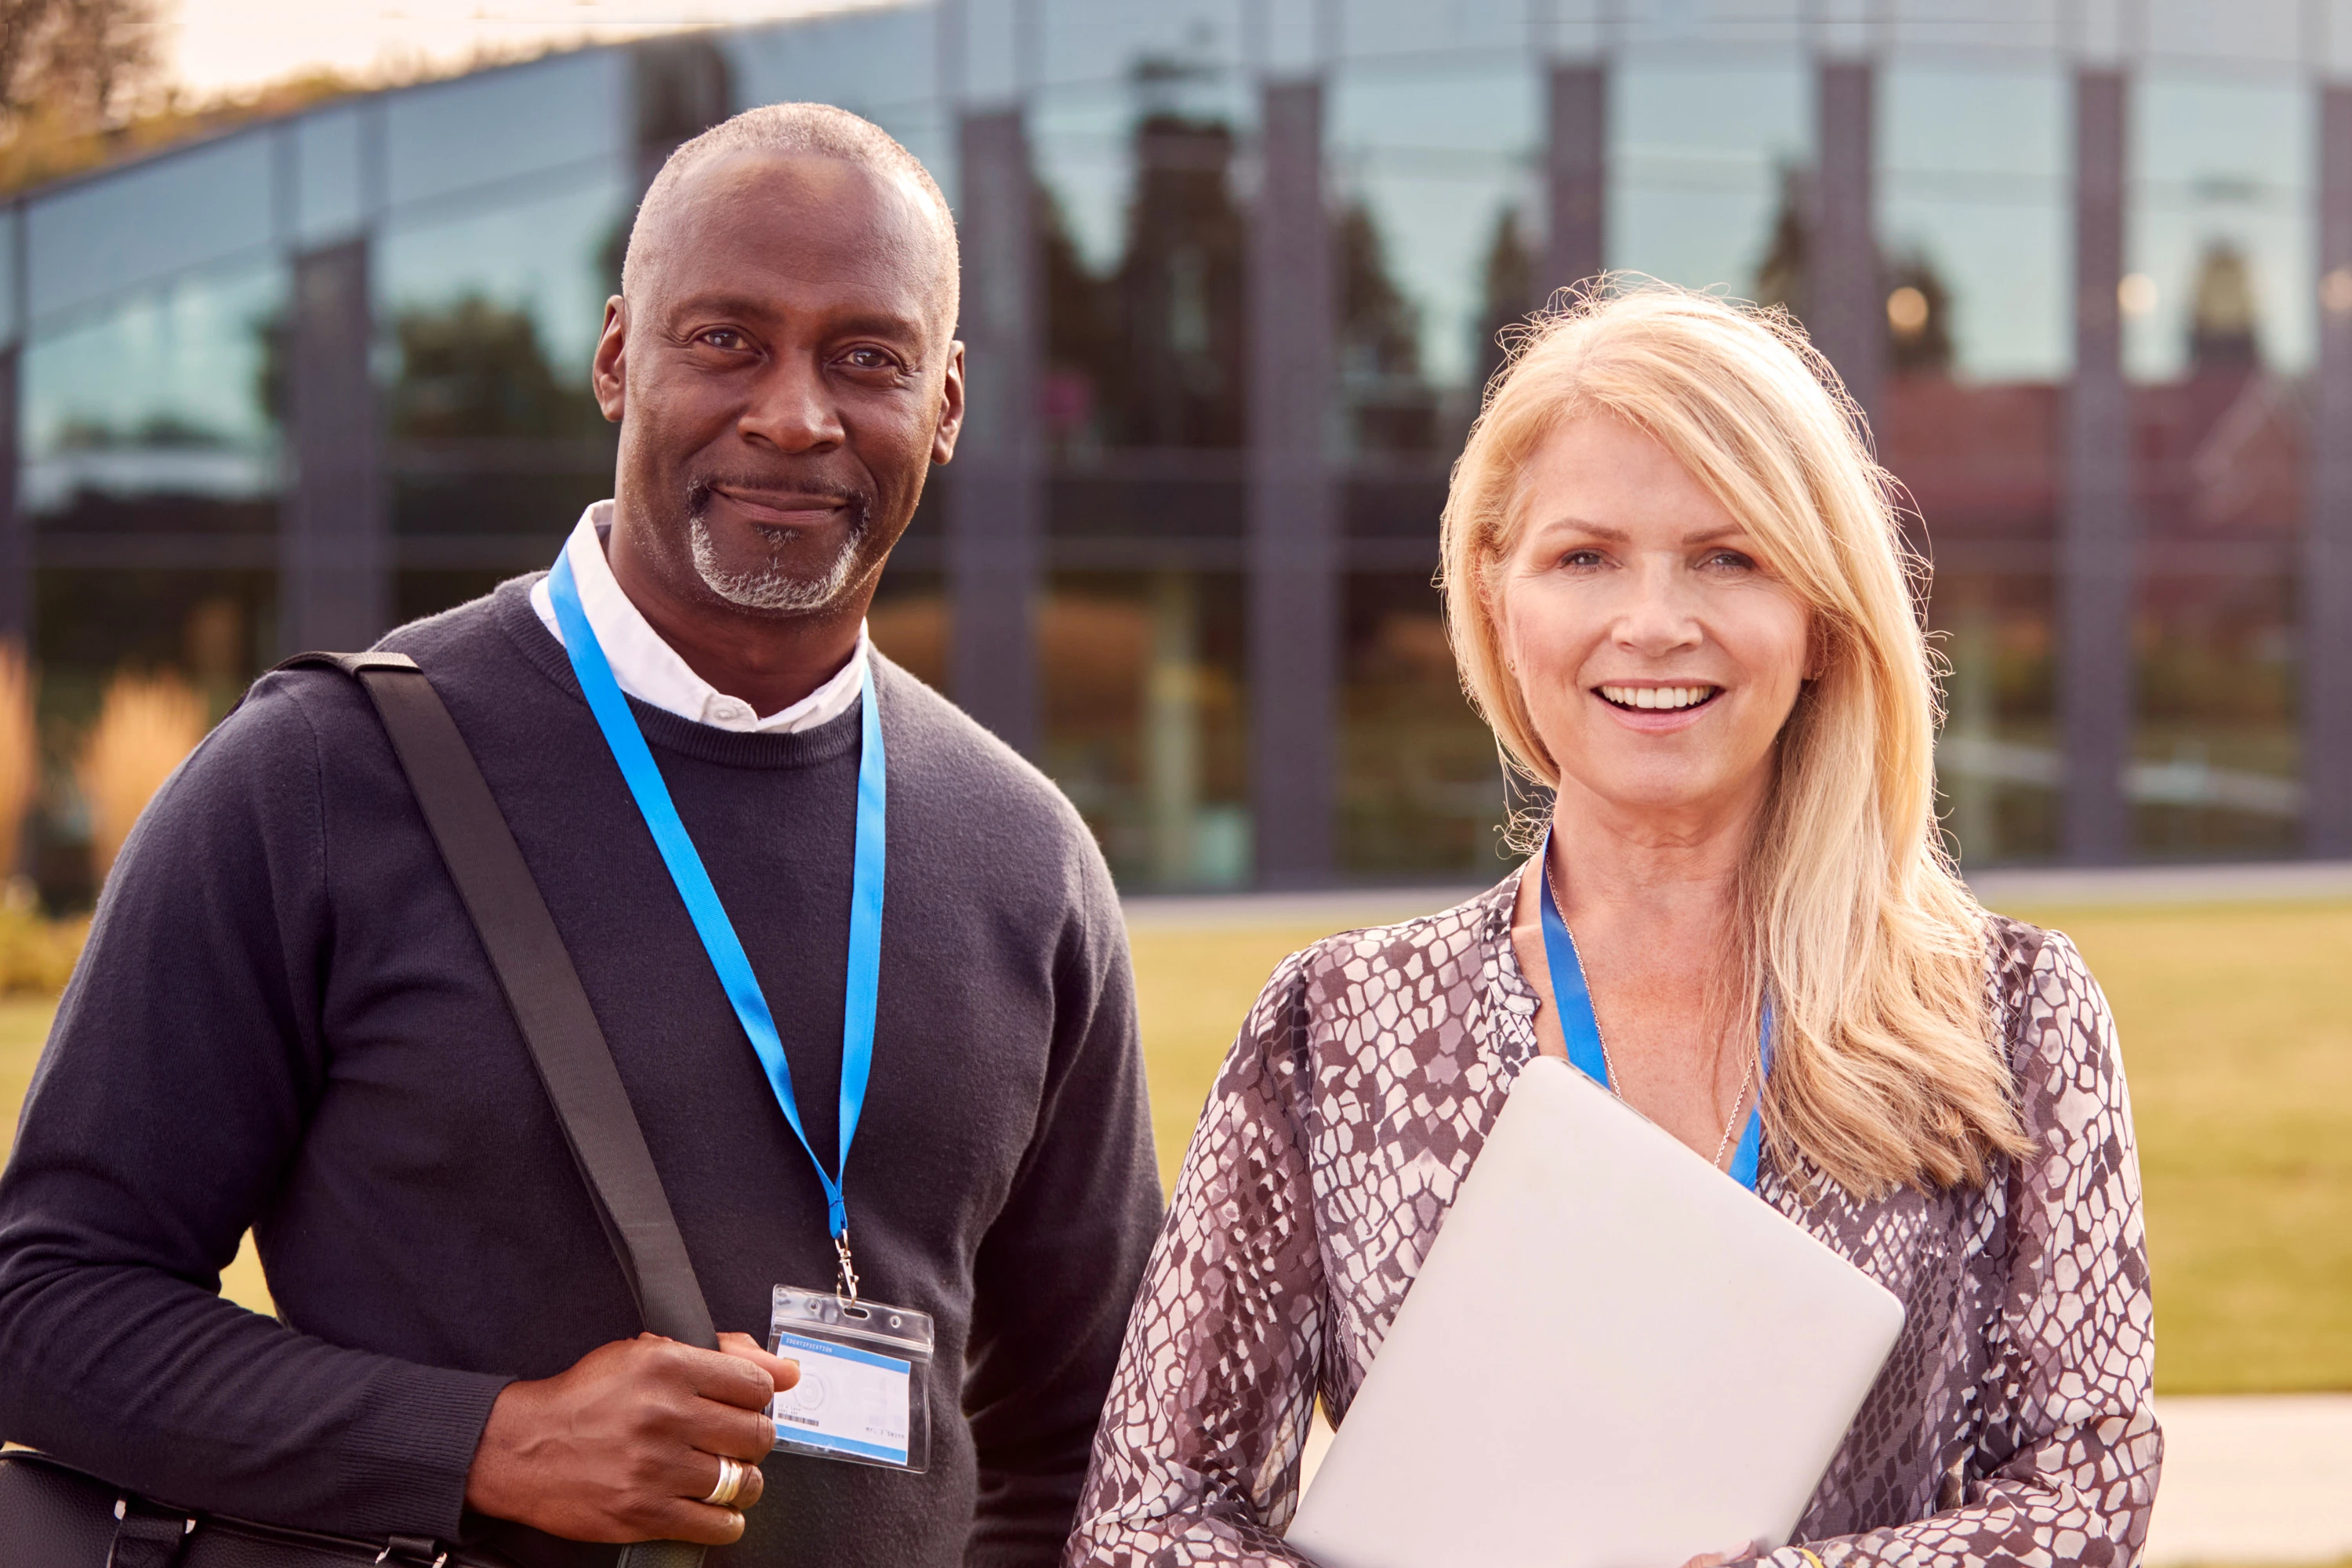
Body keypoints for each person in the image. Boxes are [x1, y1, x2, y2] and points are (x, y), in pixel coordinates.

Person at [0, 104, 1162, 1567]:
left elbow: (1096, 1437)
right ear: (619, 357)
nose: (795, 414)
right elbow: (45, 1306)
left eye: (866, 356)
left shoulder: (1028, 858)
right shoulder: (318, 777)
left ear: (945, 400)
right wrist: (482, 1441)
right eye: (727, 339)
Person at [1064, 285, 2160, 1566]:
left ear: (1818, 620)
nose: (1653, 622)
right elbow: (1150, 1520)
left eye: (1728, 556)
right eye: (1585, 558)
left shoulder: (2014, 1015)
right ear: (1498, 599)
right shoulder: (1338, 1028)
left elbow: (2085, 1492)